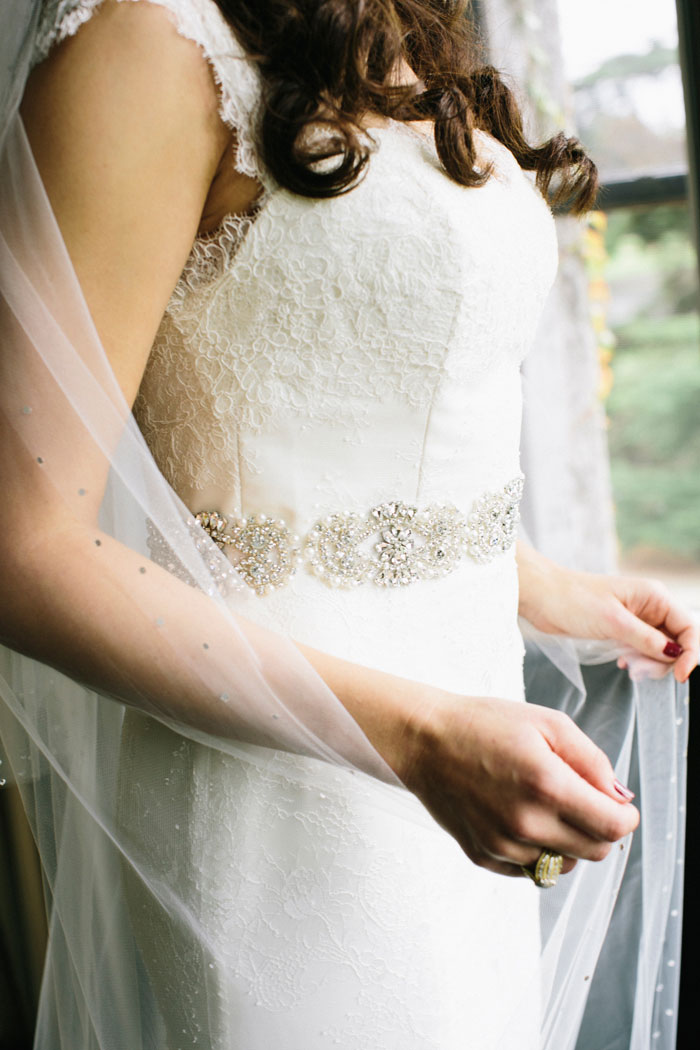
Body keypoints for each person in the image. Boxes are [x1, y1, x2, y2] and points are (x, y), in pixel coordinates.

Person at [0, 1, 695, 1048]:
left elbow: (358, 418)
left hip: (470, 740)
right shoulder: (146, 36)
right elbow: (23, 543)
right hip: (283, 773)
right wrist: (418, 739)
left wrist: (542, 584)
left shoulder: (401, 24)